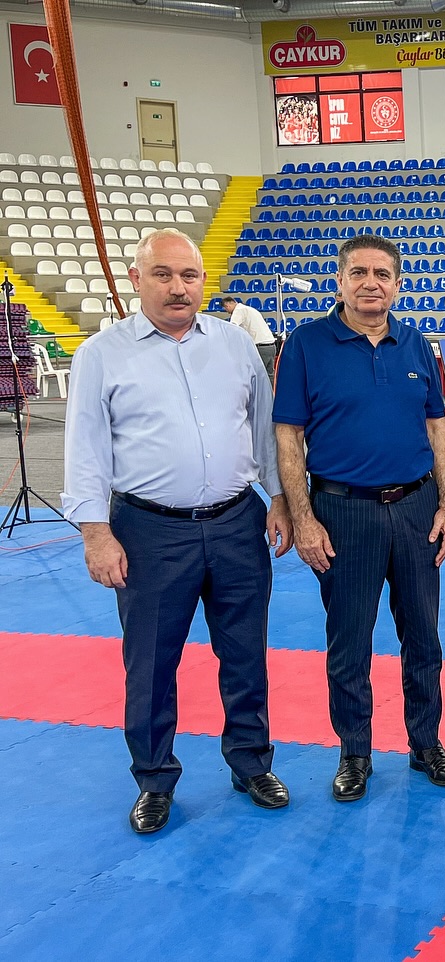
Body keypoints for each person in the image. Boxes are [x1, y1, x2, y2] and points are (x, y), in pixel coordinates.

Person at [62, 227, 293, 834]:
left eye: (189, 276)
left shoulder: (235, 345)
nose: (177, 287)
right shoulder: (101, 354)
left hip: (238, 522)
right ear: (136, 280)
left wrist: (281, 500)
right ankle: (154, 779)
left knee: (245, 654)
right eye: (162, 275)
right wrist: (95, 532)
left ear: (203, 282)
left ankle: (251, 763)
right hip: (148, 530)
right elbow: (85, 448)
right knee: (150, 663)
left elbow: (264, 429)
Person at [273, 234, 445, 802]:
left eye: (382, 274)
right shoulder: (306, 345)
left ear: (398, 284)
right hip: (342, 511)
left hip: (415, 508)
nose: (370, 284)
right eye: (358, 273)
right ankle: (354, 752)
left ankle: (426, 743)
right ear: (340, 282)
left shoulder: (417, 344)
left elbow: (437, 428)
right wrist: (304, 517)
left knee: (423, 637)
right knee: (349, 642)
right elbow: (288, 436)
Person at [221, 295, 277, 379]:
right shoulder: (250, 309)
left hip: (260, 347)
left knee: (257, 376)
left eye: (226, 309)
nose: (227, 312)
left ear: (227, 305)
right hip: (271, 346)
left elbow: (232, 328)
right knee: (269, 375)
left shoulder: (238, 310)